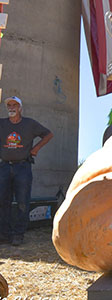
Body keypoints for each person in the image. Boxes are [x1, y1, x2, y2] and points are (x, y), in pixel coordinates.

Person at [0, 96, 53, 246]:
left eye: (14, 105)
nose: (11, 107)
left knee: (23, 201)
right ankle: (3, 234)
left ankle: (18, 234)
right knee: (3, 201)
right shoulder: (2, 123)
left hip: (22, 167)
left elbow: (48, 134)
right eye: (9, 105)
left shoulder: (29, 124)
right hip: (4, 166)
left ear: (20, 108)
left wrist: (36, 148)